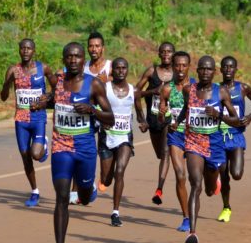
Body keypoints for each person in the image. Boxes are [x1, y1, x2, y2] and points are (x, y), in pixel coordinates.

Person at [37, 42, 114, 243]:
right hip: (61, 147)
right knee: (61, 197)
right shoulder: (58, 82)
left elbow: (111, 118)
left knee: (85, 196)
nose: (73, 60)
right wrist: (45, 101)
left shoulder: (94, 84)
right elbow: (59, 100)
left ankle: (90, 191)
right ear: (63, 60)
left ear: (83, 60)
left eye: (77, 56)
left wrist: (92, 110)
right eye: (69, 56)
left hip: (85, 149)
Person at [173, 55, 240, 243]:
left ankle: (215, 181)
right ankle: (192, 235)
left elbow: (236, 120)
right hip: (193, 143)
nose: (205, 72)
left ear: (214, 72)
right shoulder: (189, 90)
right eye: (202, 69)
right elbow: (187, 109)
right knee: (196, 185)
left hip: (215, 145)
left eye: (209, 69)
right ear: (197, 70)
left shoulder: (222, 93)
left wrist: (219, 115)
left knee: (210, 190)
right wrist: (178, 122)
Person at [0, 38, 56, 207]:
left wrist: (47, 98)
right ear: (19, 50)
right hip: (21, 120)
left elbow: (57, 88)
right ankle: (35, 191)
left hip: (38, 117)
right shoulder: (13, 70)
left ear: (34, 51)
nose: (25, 51)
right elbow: (3, 97)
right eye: (22, 48)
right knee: (25, 157)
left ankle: (43, 145)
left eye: (29, 48)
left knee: (36, 154)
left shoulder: (43, 68)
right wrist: (8, 82)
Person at [97, 57, 146, 227]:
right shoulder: (105, 88)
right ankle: (102, 180)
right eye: (117, 68)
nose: (120, 71)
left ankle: (115, 212)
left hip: (125, 137)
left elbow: (139, 112)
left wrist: (143, 122)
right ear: (113, 70)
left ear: (127, 70)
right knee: (107, 179)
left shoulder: (134, 91)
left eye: (123, 68)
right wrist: (100, 120)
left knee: (120, 171)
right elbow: (96, 107)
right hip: (106, 136)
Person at [217, 56, 251, 223]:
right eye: (225, 67)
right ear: (221, 70)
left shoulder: (243, 88)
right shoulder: (216, 89)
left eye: (231, 67)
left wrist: (250, 116)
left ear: (236, 70)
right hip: (219, 137)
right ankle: (226, 207)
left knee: (236, 174)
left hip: (236, 136)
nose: (228, 70)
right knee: (224, 176)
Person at [69, 31, 112, 204]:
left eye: (97, 46)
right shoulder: (83, 66)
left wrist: (105, 81)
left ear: (103, 48)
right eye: (91, 46)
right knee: (76, 149)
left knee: (106, 174)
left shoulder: (110, 66)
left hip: (107, 118)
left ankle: (92, 183)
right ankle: (75, 191)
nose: (94, 49)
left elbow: (119, 87)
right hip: (87, 118)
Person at [158, 51, 195, 232]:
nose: (180, 69)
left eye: (184, 65)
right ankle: (186, 217)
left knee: (199, 181)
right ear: (172, 67)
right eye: (177, 65)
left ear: (189, 66)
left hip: (196, 137)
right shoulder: (166, 89)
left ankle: (215, 177)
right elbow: (161, 116)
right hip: (176, 137)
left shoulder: (197, 86)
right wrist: (162, 114)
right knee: (181, 175)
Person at [135, 42, 175, 205]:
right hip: (153, 120)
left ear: (173, 54)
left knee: (165, 153)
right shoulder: (152, 72)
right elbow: (136, 93)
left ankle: (159, 190)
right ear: (159, 54)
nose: (166, 54)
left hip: (169, 119)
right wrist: (141, 119)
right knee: (160, 154)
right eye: (163, 52)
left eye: (169, 51)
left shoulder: (178, 74)